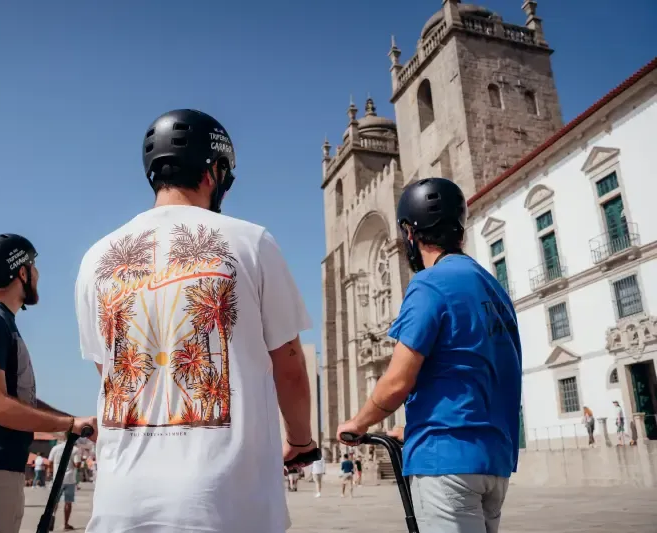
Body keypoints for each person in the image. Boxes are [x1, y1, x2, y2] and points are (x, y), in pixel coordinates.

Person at [74, 109, 315, 533]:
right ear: (213, 173)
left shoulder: (95, 259)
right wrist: (299, 440)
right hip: (224, 504)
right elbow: (290, 364)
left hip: (121, 503)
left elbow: (108, 370)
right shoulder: (251, 242)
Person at [336, 178, 523, 533]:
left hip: (445, 462)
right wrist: (416, 424)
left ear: (410, 233)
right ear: (460, 231)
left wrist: (357, 424)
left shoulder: (428, 284)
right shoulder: (494, 289)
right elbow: (477, 369)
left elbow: (397, 381)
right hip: (495, 461)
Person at [0, 233, 98, 533]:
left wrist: (71, 421)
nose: (37, 274)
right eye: (33, 266)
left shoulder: (1, 321)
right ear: (21, 271)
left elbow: (18, 399)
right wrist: (66, 425)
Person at [48, 437, 79, 531]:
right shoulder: (75, 450)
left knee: (54, 501)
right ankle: (65, 524)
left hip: (57, 478)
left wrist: (50, 472)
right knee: (68, 502)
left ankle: (51, 518)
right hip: (70, 479)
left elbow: (50, 462)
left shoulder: (55, 448)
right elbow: (77, 464)